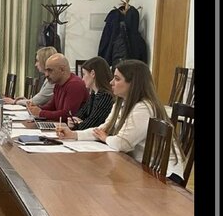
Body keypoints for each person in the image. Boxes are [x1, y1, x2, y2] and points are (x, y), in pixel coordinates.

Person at [55, 59, 185, 179]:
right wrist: (73, 134)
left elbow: (122, 144)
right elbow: (102, 130)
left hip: (166, 174)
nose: (111, 82)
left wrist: (106, 138)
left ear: (133, 84)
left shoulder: (143, 108)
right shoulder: (121, 103)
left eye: (117, 79)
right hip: (141, 167)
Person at [27, 54, 88, 121]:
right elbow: (52, 106)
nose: (46, 74)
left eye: (50, 70)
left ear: (62, 70)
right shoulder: (58, 83)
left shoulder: (75, 85)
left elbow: (67, 115)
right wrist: (35, 109)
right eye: (46, 70)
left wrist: (41, 113)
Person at [67, 56, 114, 130]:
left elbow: (91, 125)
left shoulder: (105, 96)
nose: (82, 79)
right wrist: (74, 121)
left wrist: (76, 124)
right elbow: (80, 114)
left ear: (93, 73)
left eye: (84, 74)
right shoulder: (93, 94)